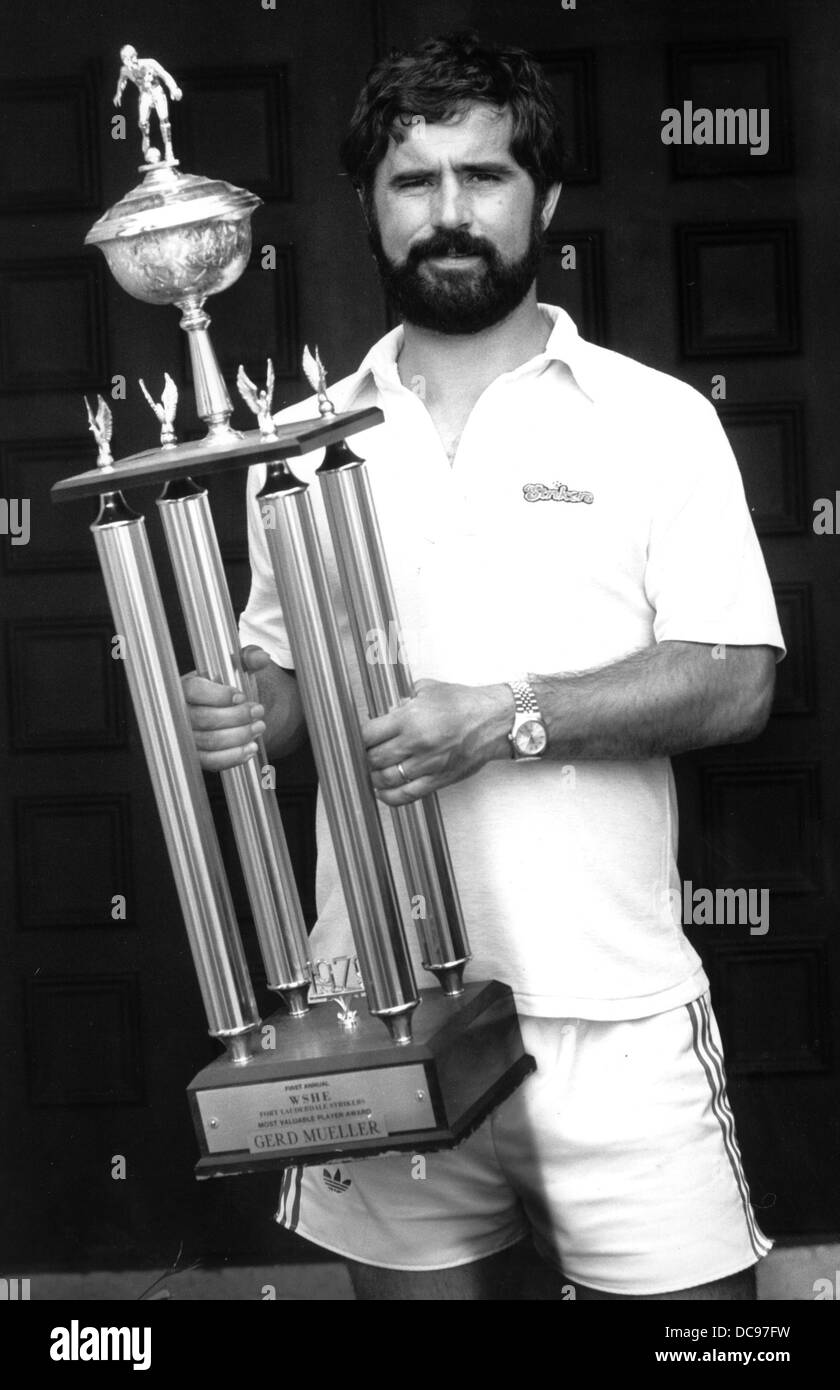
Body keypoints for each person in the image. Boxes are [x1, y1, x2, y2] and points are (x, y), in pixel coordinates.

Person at [183, 32, 785, 1301]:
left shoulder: (657, 418)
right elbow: (288, 693)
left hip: (613, 1020)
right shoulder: (295, 442)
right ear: (369, 207)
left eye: (484, 176)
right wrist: (251, 714)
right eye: (415, 182)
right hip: (381, 1012)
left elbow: (735, 681)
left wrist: (506, 717)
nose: (450, 214)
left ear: (544, 200)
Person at [113, 45, 182, 164]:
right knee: (142, 122)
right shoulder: (125, 70)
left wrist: (173, 88)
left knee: (164, 121)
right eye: (124, 59)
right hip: (145, 94)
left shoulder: (150, 63)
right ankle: (145, 137)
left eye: (129, 58)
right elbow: (122, 80)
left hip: (156, 91)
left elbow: (164, 74)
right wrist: (118, 93)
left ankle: (168, 150)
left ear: (134, 56)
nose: (127, 62)